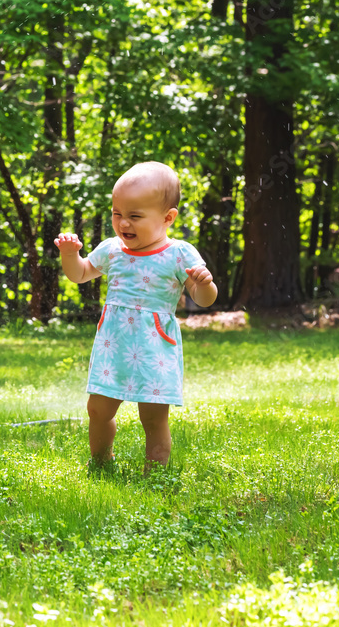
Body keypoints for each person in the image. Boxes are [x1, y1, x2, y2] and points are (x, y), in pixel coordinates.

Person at [54, 161, 217, 472]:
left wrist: (205, 283)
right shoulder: (112, 249)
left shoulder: (179, 254)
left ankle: (154, 474)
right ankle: (101, 462)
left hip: (155, 348)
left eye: (134, 216)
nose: (123, 223)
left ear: (168, 218)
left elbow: (203, 299)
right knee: (98, 410)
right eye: (117, 214)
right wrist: (69, 255)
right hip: (113, 346)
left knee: (153, 418)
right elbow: (80, 274)